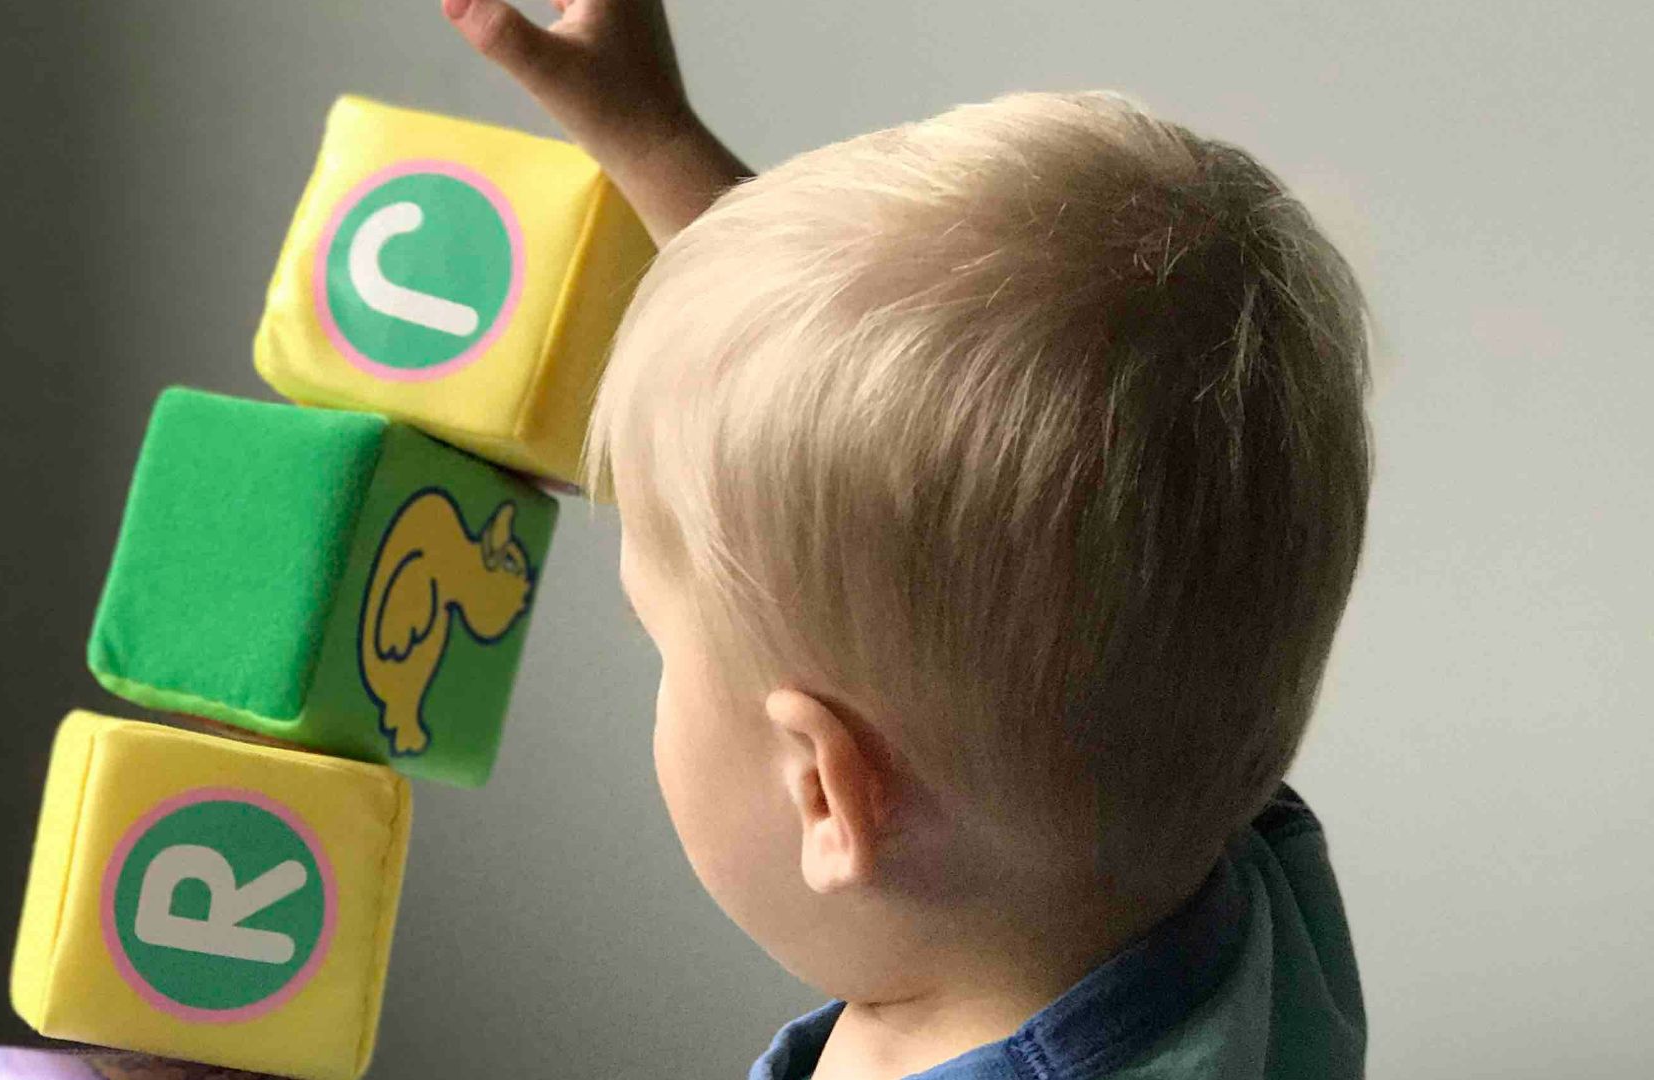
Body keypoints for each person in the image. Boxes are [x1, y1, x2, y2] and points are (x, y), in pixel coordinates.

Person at [442, 1, 1373, 1077]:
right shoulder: (1196, 826)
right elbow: (932, 478)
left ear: (827, 791)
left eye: (662, 646)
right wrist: (652, 138)